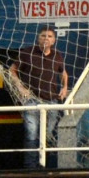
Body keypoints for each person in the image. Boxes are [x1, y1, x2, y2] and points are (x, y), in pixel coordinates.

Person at [9, 26, 69, 167]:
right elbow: (12, 70)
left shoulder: (57, 55)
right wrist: (20, 87)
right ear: (38, 38)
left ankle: (43, 164)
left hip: (52, 100)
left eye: (49, 36)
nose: (46, 38)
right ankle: (30, 166)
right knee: (31, 133)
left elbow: (63, 73)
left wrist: (65, 87)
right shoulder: (27, 53)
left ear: (54, 40)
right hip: (32, 100)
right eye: (43, 36)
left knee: (47, 134)